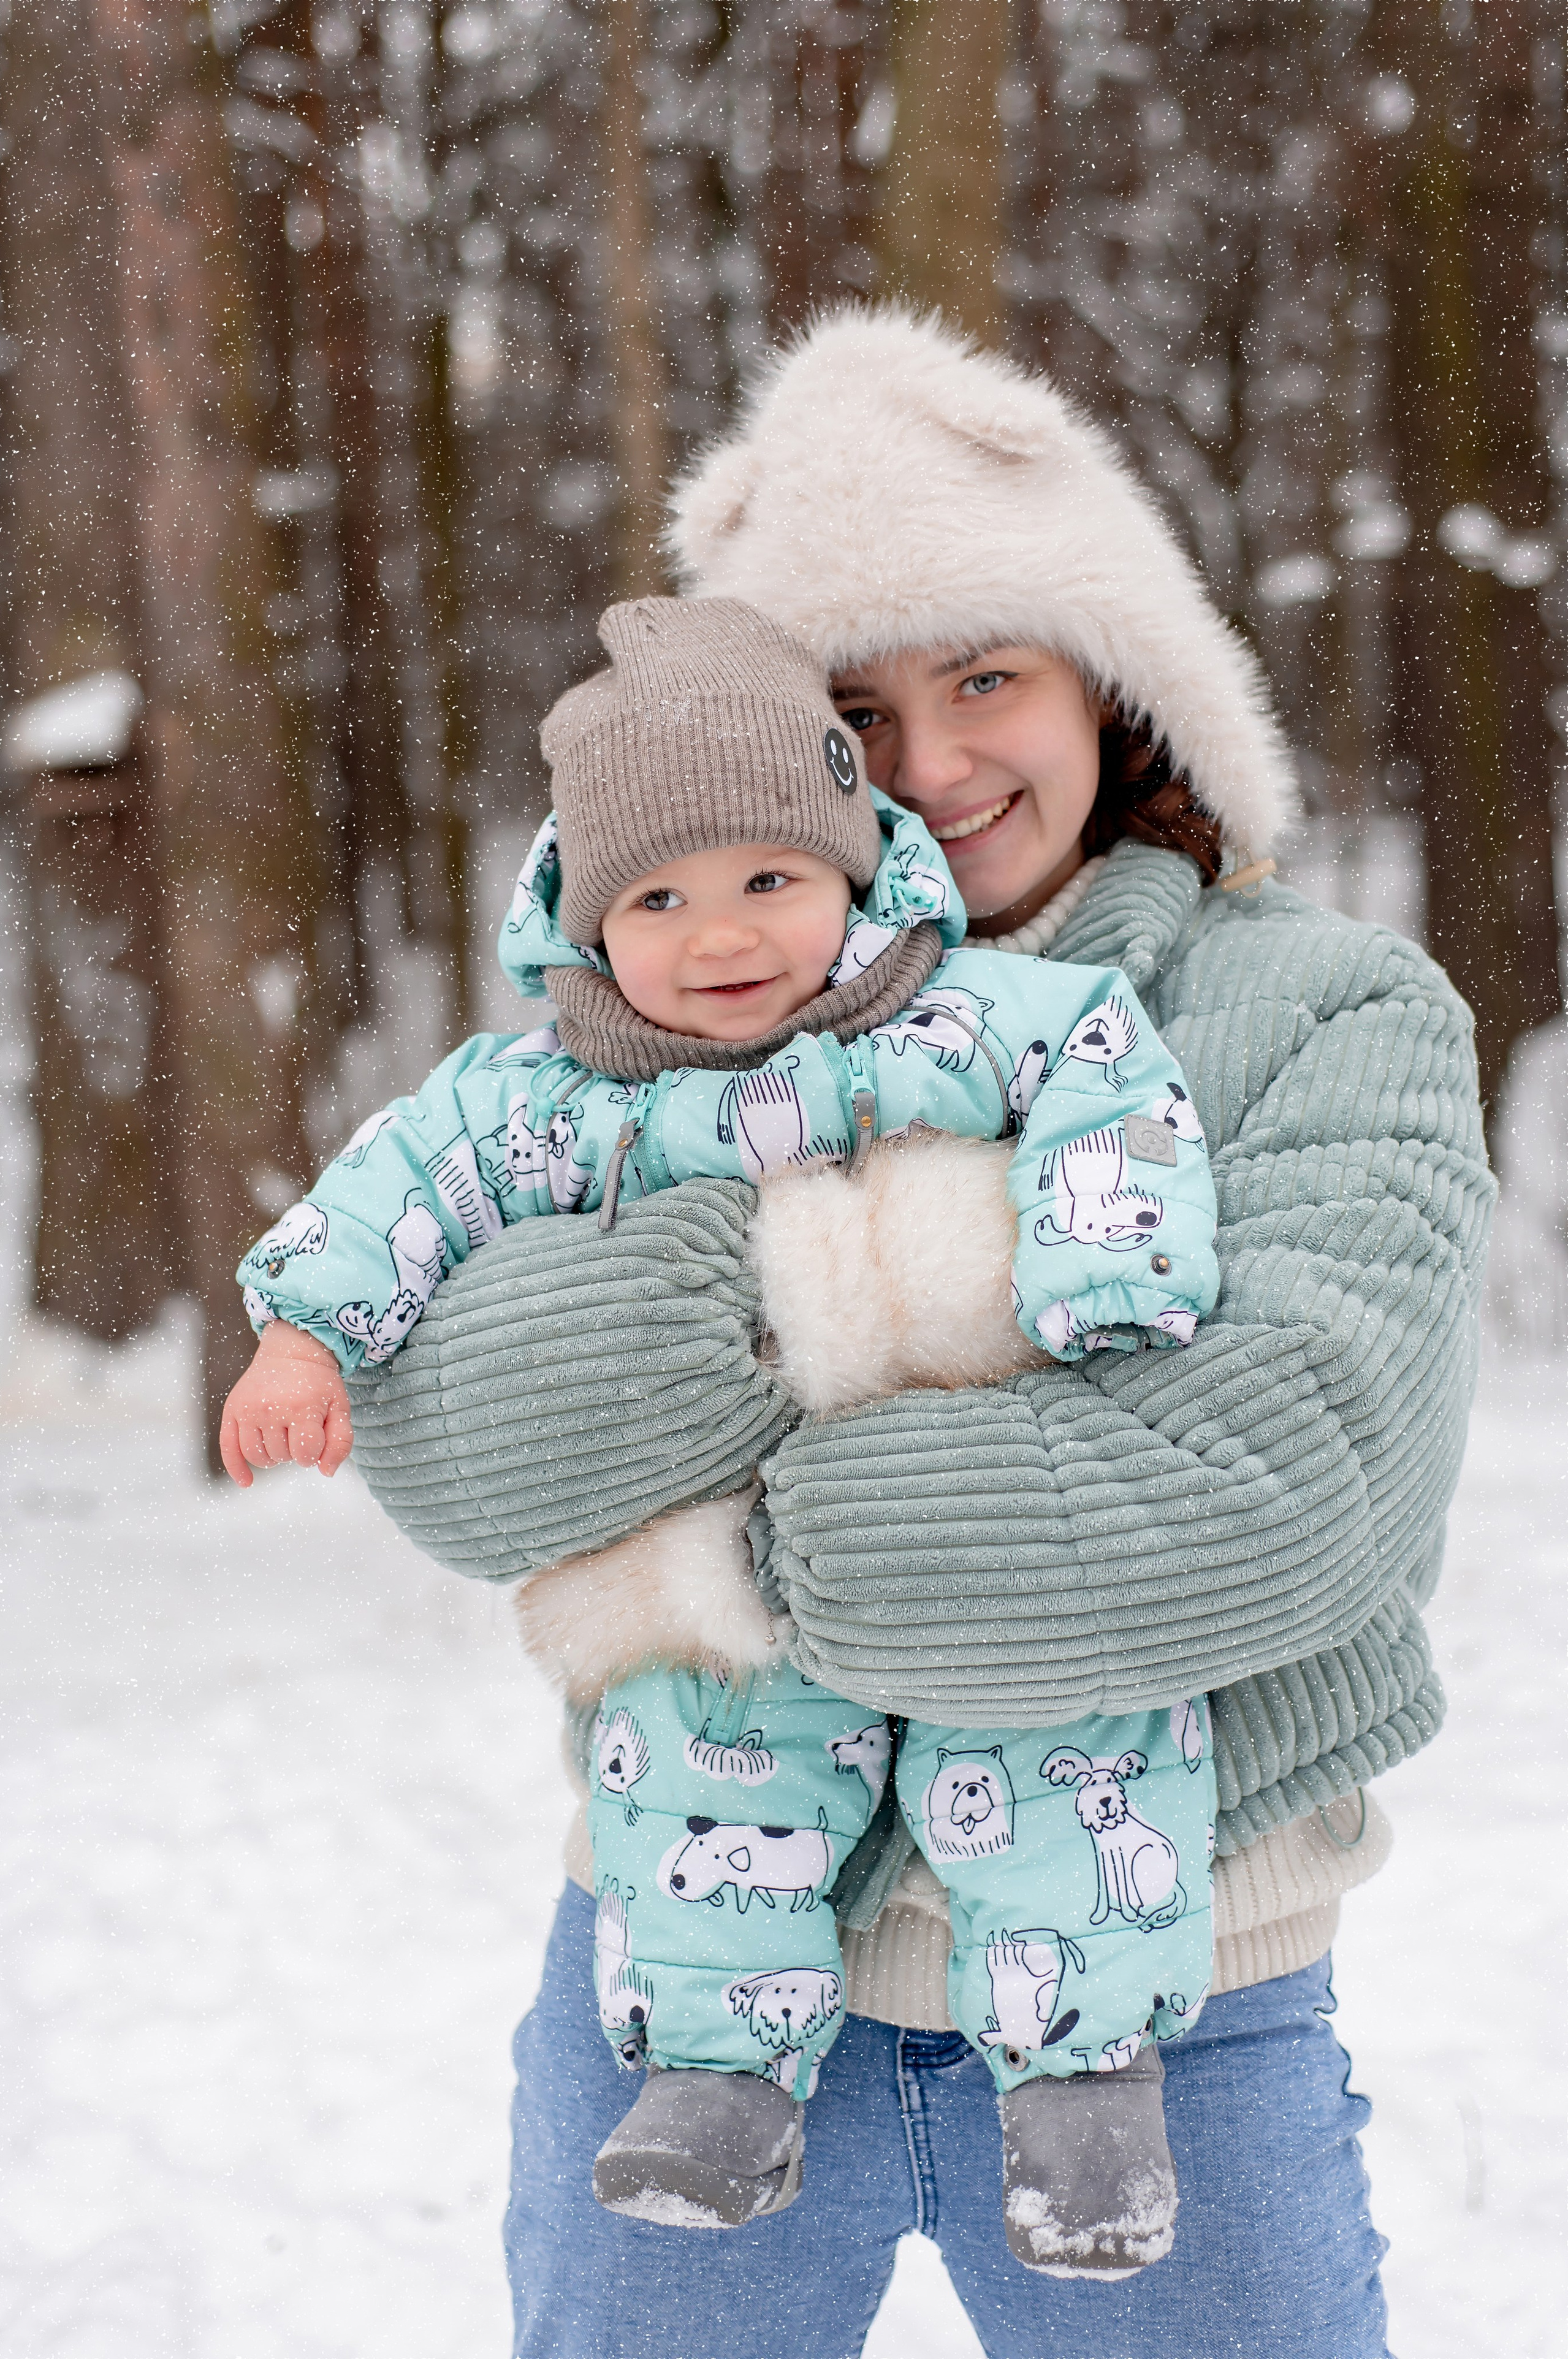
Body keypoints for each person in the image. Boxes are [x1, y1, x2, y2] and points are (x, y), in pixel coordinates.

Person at [343, 309, 1493, 2359]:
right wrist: (929, 1332)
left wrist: (738, 1550)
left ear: (1115, 687)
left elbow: (1290, 1489)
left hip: (1184, 2002)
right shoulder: (630, 1035)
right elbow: (461, 1447)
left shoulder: (1323, 1009)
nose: (940, 764)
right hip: (681, 1986)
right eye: (859, 714)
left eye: (990, 678)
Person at [223, 592, 1223, 2276]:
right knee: (693, 1769)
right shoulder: (542, 1095)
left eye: (771, 877)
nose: (723, 932)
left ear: (862, 867)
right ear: (583, 919)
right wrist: (302, 1331)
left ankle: (1086, 2090)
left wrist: (1103, 1255)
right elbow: (396, 1184)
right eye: (660, 898)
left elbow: (1107, 1068)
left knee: (1067, 1743)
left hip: (976, 1520)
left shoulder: (951, 1013)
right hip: (713, 1565)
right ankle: (714, 2079)